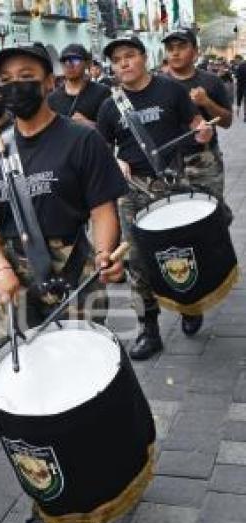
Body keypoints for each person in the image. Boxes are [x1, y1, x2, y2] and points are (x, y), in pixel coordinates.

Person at [0, 42, 127, 523]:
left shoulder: (81, 139)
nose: (15, 85)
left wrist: (106, 253)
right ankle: (48, 501)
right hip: (14, 278)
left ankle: (99, 484)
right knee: (25, 390)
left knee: (79, 386)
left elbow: (103, 209)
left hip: (74, 270)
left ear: (50, 81)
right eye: (6, 77)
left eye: (27, 75)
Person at [97, 36, 213, 360]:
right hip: (132, 191)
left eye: (129, 55)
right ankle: (148, 328)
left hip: (172, 183)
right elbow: (103, 150)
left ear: (144, 57)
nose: (123, 63)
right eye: (117, 58)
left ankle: (190, 305)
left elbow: (196, 124)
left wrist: (203, 131)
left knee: (179, 249)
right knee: (137, 261)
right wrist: (114, 161)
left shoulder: (170, 90)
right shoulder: (109, 106)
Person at [163, 27, 232, 204]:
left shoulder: (211, 81)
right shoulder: (157, 84)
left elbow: (227, 121)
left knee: (212, 213)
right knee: (177, 218)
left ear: (195, 52)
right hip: (170, 163)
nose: (175, 53)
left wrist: (206, 102)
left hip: (205, 159)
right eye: (170, 48)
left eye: (181, 47)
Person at [47, 44, 110, 127]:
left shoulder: (102, 92)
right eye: (64, 61)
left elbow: (112, 130)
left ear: (87, 63)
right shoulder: (52, 98)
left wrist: (90, 125)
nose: (69, 65)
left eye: (75, 60)